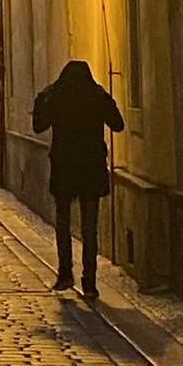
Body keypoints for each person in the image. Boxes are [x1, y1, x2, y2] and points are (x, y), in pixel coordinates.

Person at [32, 60, 124, 299]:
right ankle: (89, 282)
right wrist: (105, 97)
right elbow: (118, 124)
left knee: (63, 224)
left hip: (64, 167)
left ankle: (65, 274)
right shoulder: (95, 97)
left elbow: (38, 125)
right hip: (91, 168)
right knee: (89, 227)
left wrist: (43, 98)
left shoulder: (56, 97)